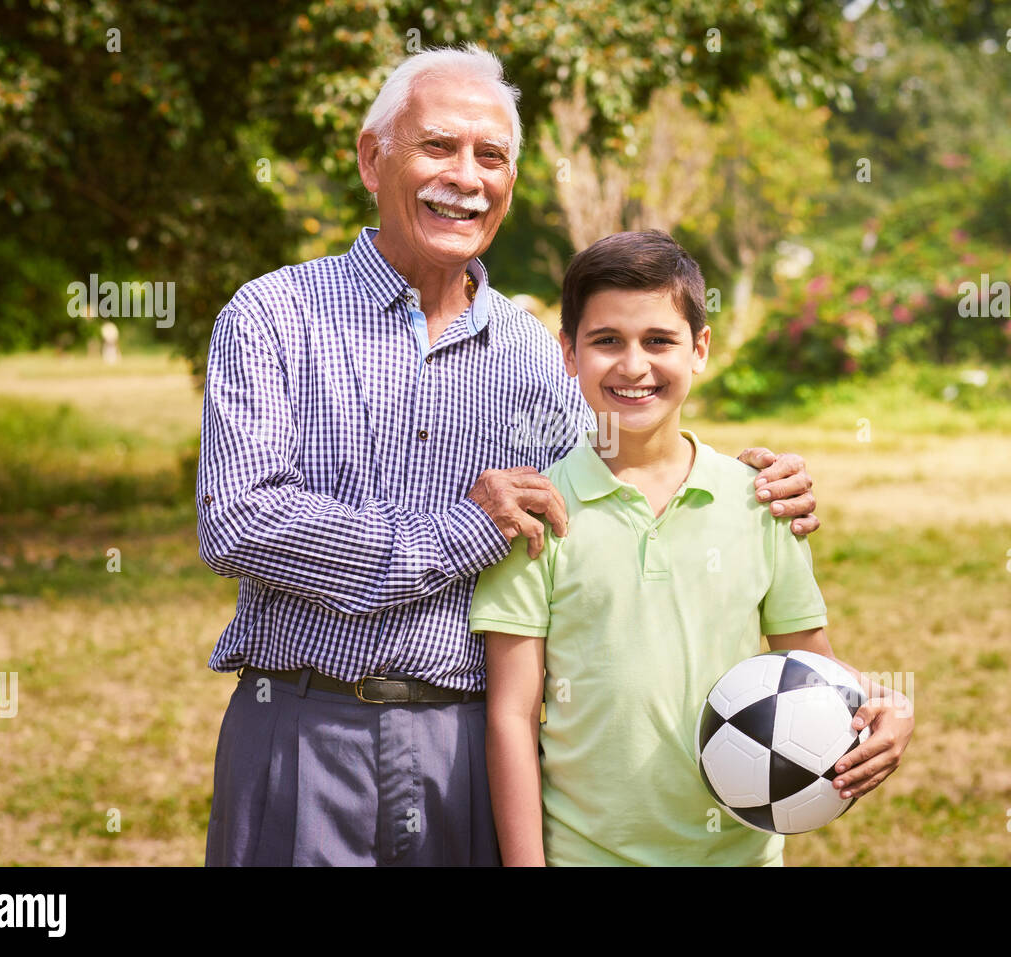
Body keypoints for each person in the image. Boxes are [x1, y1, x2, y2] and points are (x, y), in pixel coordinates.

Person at [198, 45, 822, 867]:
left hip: (470, 746)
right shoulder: (274, 315)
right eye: (439, 146)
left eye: (491, 157)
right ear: (370, 156)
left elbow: (621, 469)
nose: (466, 176)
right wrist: (461, 530)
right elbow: (239, 522)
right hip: (304, 728)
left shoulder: (538, 355)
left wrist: (752, 482)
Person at [471, 230, 914, 866]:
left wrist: (889, 707)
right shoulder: (538, 513)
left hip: (740, 856)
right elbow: (512, 715)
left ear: (700, 348)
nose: (633, 365)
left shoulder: (758, 503)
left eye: (659, 341)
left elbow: (815, 669)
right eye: (606, 341)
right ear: (567, 352)